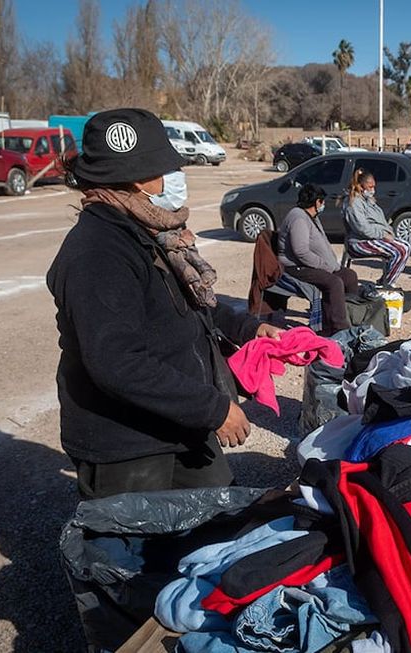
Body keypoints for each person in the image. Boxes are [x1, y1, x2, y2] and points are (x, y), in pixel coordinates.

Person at [47, 108, 282, 500]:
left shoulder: (145, 229)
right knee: (138, 553)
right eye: (164, 167)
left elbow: (191, 305)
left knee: (219, 522)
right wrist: (213, 410)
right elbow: (117, 361)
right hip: (129, 445)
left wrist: (248, 328)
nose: (172, 177)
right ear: (138, 179)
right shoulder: (98, 251)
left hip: (177, 422)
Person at [278, 183, 358, 336]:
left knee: (349, 276)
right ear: (317, 202)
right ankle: (339, 329)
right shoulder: (298, 218)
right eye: (322, 201)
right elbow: (300, 252)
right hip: (296, 266)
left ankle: (352, 315)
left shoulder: (311, 216)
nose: (323, 205)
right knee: (334, 282)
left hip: (310, 264)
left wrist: (332, 265)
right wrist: (324, 266)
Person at [343, 168, 411, 288]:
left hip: (373, 237)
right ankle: (387, 284)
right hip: (359, 242)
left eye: (373, 186)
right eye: (369, 187)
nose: (372, 190)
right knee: (401, 250)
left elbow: (379, 221)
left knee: (406, 246)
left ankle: (386, 281)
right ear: (360, 186)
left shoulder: (368, 200)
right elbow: (362, 228)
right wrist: (383, 235)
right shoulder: (353, 203)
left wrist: (389, 232)